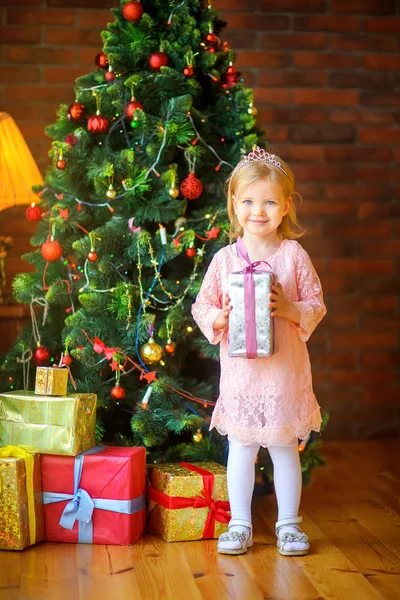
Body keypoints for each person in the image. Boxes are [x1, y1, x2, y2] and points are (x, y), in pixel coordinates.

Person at [191, 147, 327, 556]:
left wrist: (287, 308)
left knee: (284, 447)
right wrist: (220, 317)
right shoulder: (224, 259)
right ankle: (240, 523)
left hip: (284, 372)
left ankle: (288, 525)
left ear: (286, 205)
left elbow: (316, 304)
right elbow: (202, 306)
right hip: (242, 375)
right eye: (248, 201)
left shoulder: (293, 257)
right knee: (242, 448)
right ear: (234, 204)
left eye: (269, 202)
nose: (258, 211)